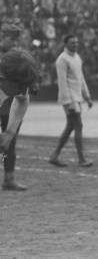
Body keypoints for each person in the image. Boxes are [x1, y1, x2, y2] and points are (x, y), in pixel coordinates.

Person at [49, 34, 94, 167]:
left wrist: (87, 96)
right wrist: (68, 103)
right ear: (65, 43)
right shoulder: (62, 59)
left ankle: (54, 155)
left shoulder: (77, 58)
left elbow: (81, 79)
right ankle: (81, 159)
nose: (75, 45)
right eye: (72, 42)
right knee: (78, 125)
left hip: (77, 97)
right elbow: (62, 83)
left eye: (76, 42)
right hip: (69, 99)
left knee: (71, 127)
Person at [1, 39, 40, 191]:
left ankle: (8, 179)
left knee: (9, 145)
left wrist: (10, 132)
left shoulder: (18, 81)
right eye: (19, 86)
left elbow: (22, 100)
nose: (22, 90)